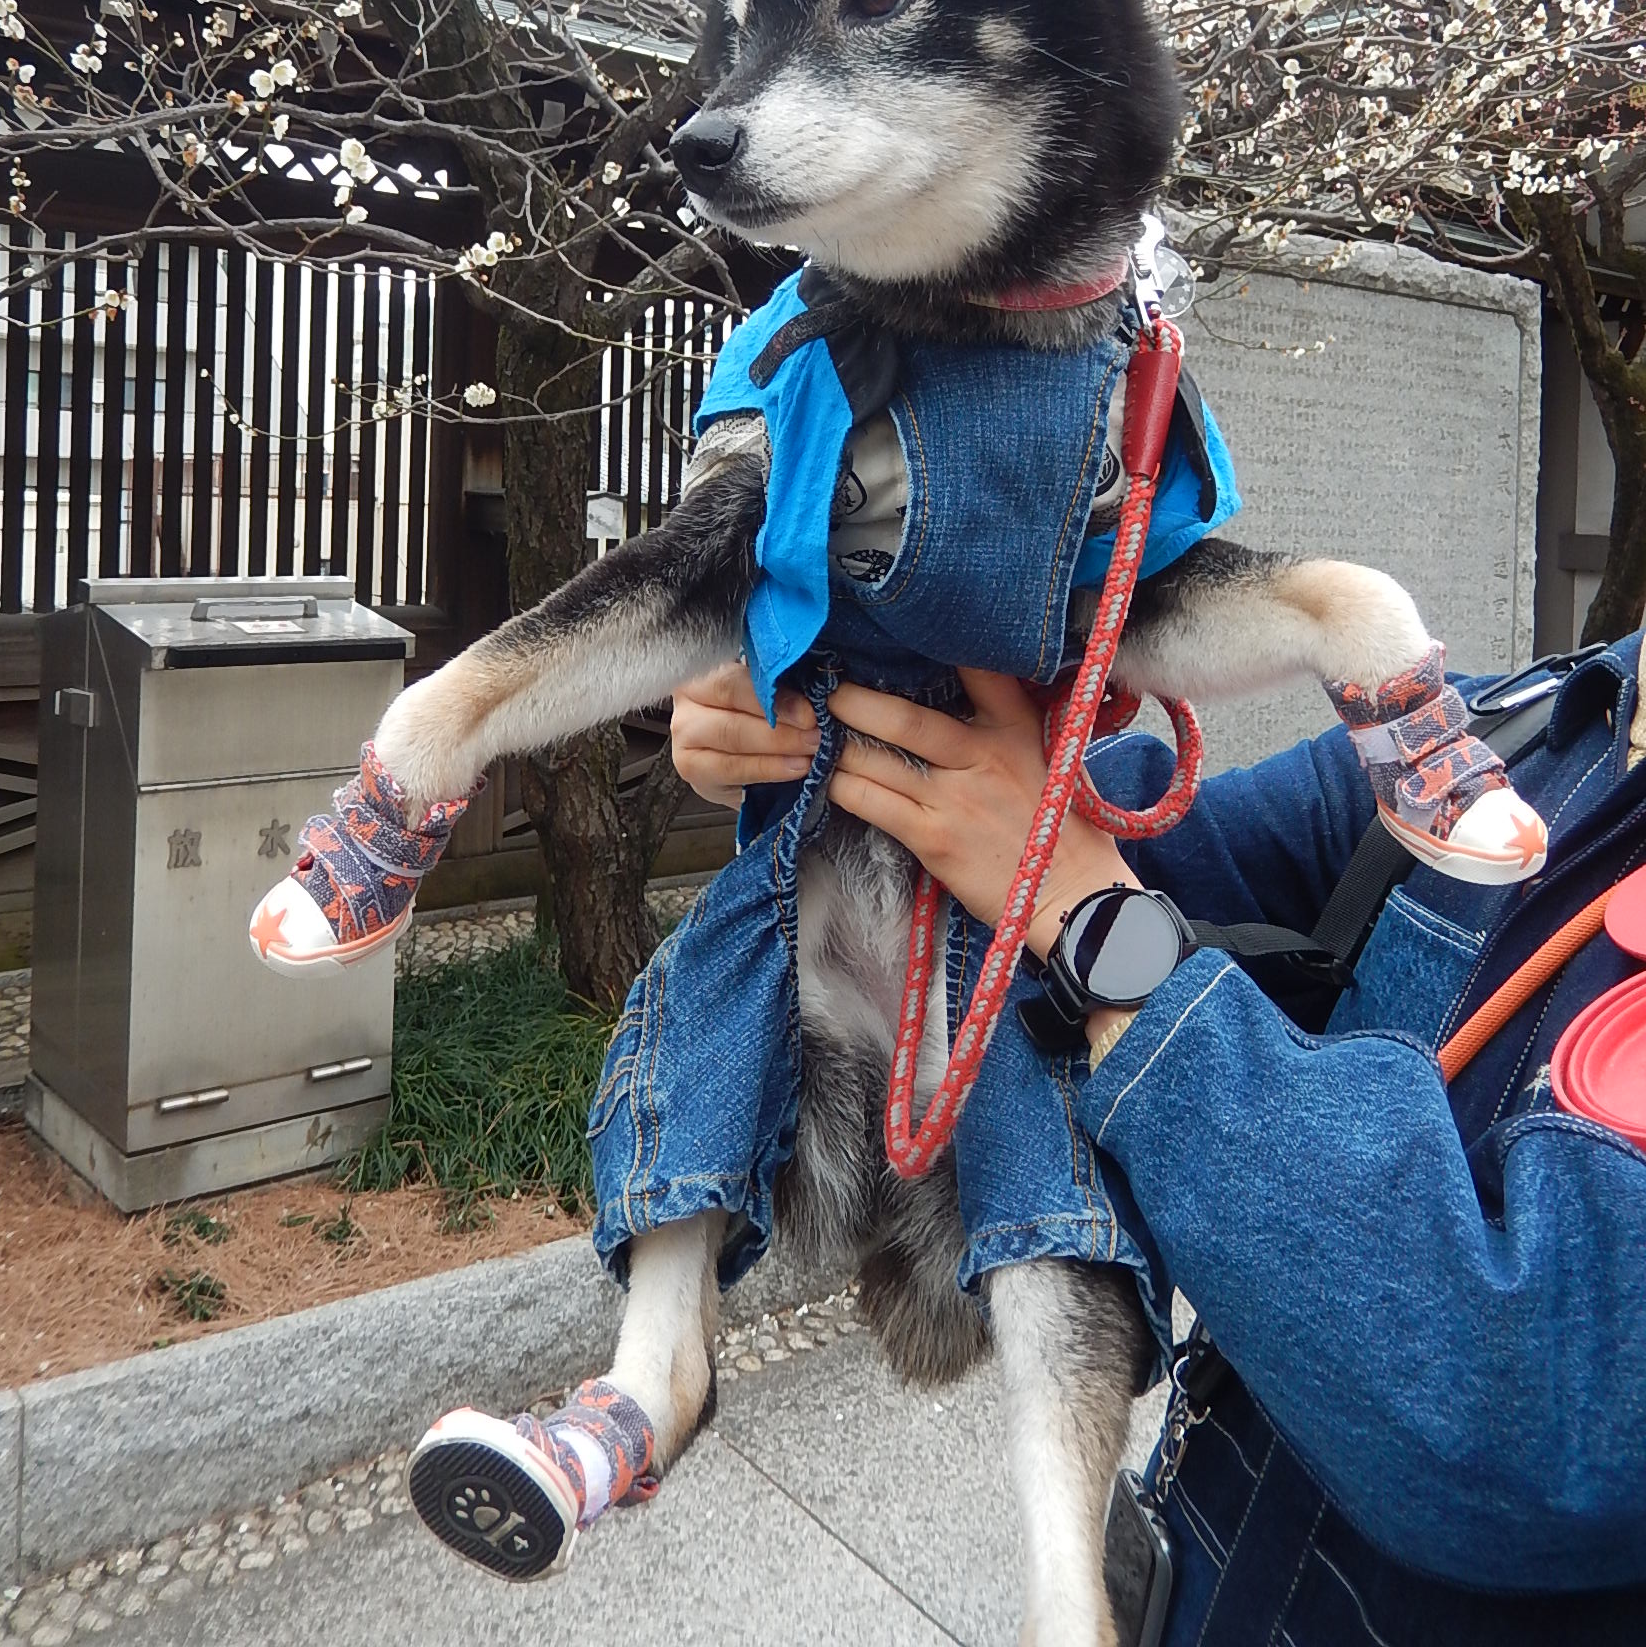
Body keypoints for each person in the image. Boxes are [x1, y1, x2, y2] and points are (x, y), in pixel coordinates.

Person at [668, 636, 1646, 1646]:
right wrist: (839, 735)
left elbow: (1522, 1417)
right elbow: (1185, 846)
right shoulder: (1532, 726)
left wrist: (1090, 919)